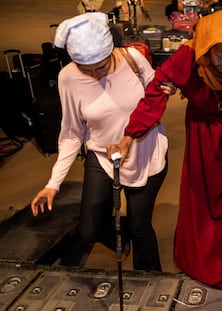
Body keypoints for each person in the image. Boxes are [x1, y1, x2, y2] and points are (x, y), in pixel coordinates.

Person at [107, 10, 222, 311]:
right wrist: (130, 135)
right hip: (202, 133)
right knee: (203, 202)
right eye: (219, 57)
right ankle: (203, 266)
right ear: (206, 46)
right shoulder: (187, 55)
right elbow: (155, 91)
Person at [30, 12, 174, 272]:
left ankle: (150, 278)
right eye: (88, 69)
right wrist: (53, 184)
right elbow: (72, 133)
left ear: (111, 50)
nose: (96, 75)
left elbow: (156, 93)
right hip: (102, 155)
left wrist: (168, 88)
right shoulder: (68, 78)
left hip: (145, 151)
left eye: (102, 66)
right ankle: (121, 238)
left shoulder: (133, 59)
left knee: (140, 226)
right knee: (89, 229)